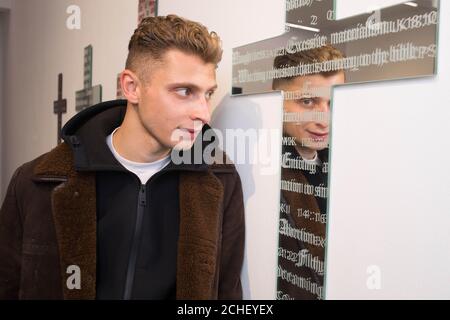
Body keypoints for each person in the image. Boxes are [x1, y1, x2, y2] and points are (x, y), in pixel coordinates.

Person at [0, 15, 245, 300]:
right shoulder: (37, 182)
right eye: (184, 91)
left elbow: (228, 294)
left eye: (208, 94)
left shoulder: (220, 182)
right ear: (131, 87)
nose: (203, 113)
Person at [273, 44, 345, 300]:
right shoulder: (262, 174)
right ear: (276, 98)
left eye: (332, 103)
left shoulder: (348, 167)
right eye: (307, 101)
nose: (323, 119)